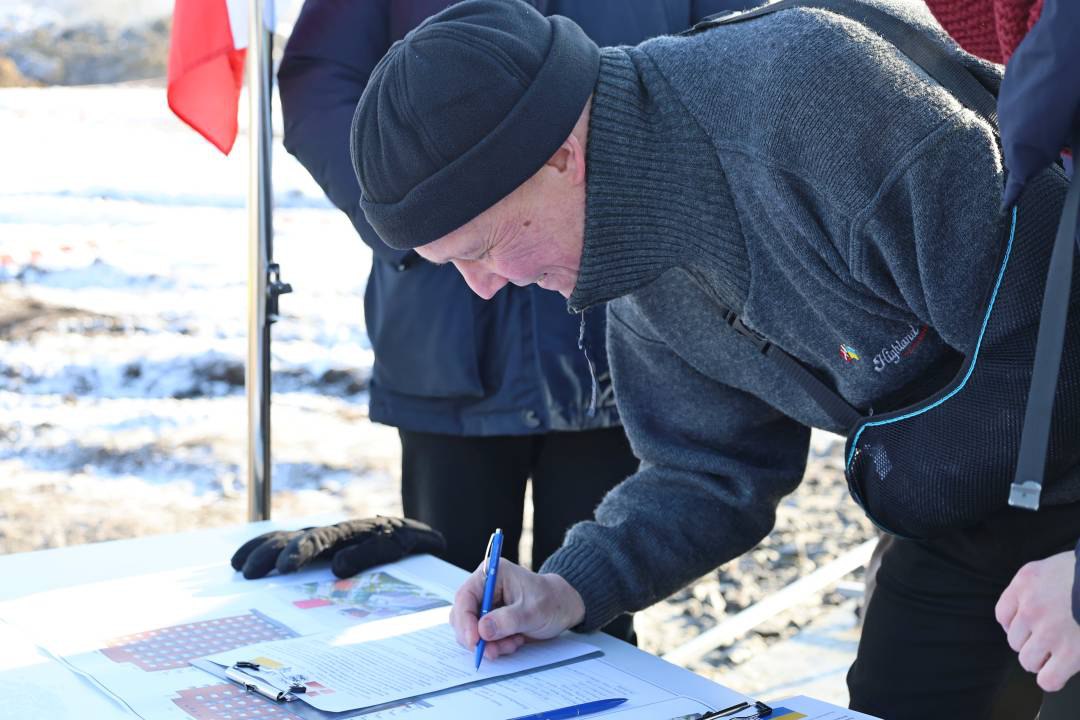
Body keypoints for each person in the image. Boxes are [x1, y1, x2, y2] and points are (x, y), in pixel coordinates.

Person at [347, 0, 1080, 716]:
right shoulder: (622, 253)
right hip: (962, 504)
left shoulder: (816, 100)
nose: (482, 288)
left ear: (560, 157)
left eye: (481, 250)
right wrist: (568, 588)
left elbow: (1061, 319)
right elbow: (709, 468)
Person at [277, 0, 749, 643]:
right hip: (449, 344)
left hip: (626, 327)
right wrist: (426, 219)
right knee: (454, 611)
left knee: (596, 613)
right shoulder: (451, 253)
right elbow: (317, 81)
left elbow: (726, 55)